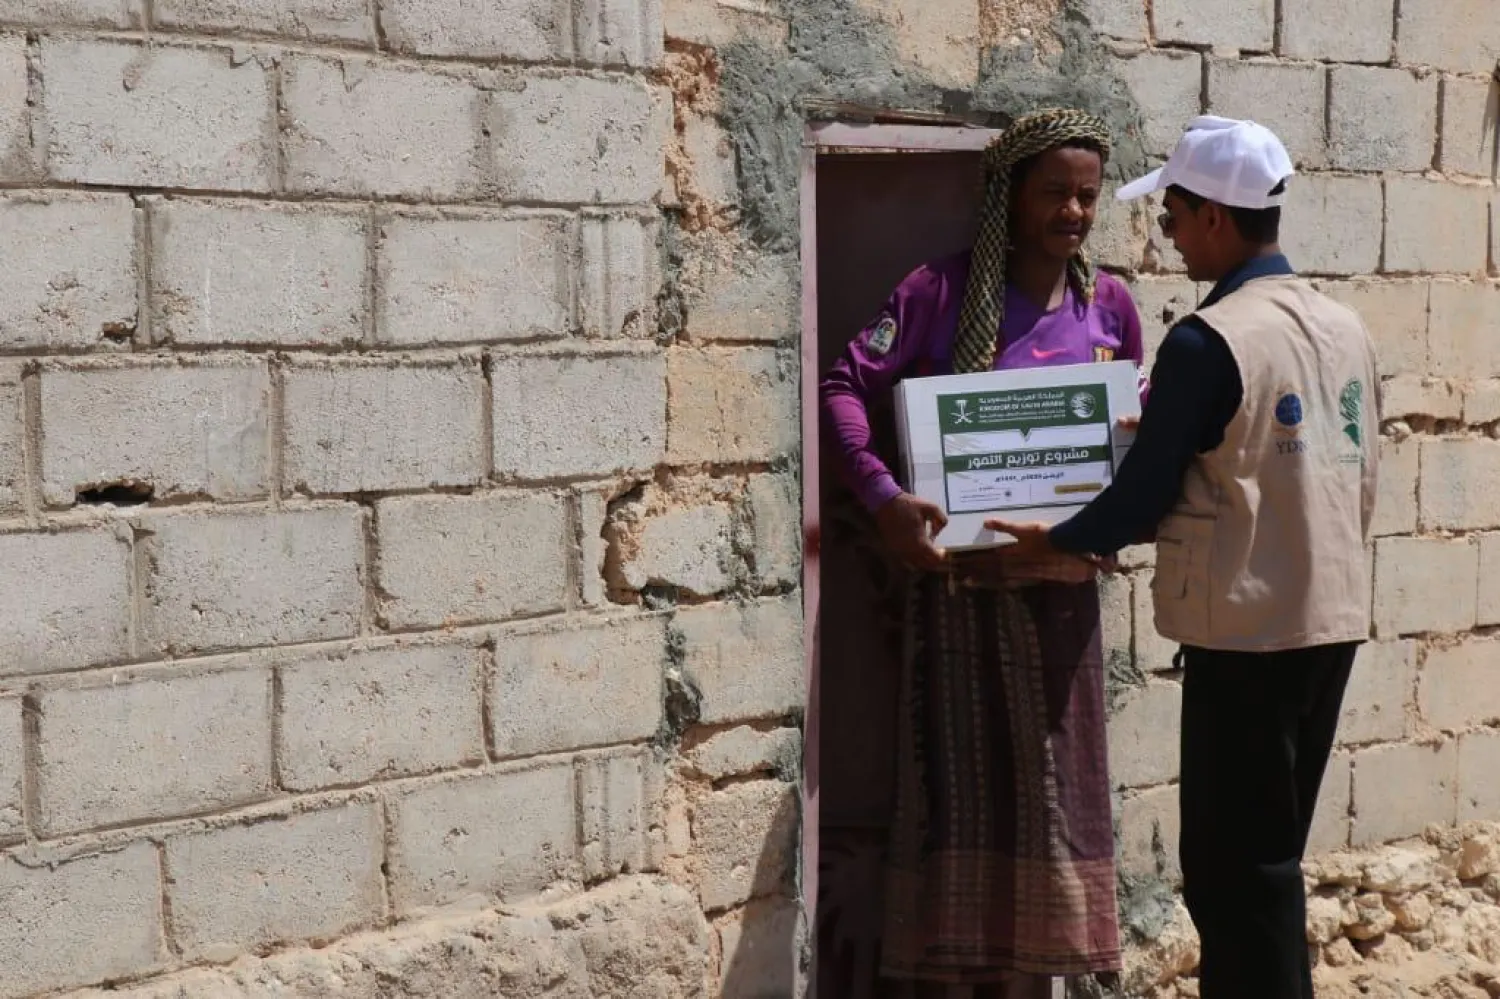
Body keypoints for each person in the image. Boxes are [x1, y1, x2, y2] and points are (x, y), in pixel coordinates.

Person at [987, 116, 1380, 999]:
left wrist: (1054, 539)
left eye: (1170, 216)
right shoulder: (1342, 325)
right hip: (1329, 622)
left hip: (1246, 637)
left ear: (1212, 217)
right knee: (1269, 863)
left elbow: (1142, 497)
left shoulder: (1209, 339)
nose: (1167, 235)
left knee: (1233, 875)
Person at [820, 108, 1145, 999]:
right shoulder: (936, 294)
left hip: (1062, 604)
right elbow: (845, 386)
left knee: (1053, 814)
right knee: (958, 810)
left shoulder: (1109, 304)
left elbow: (1139, 436)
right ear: (1008, 196)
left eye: (1086, 196)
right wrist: (886, 500)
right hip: (959, 598)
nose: (1074, 213)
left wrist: (1126, 471)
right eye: (1054, 194)